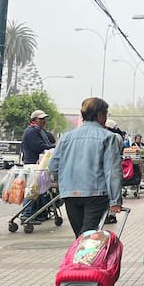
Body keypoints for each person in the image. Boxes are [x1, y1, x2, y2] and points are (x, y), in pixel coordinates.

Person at [48, 98, 123, 238]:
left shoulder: (66, 137)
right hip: (95, 194)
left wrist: (63, 183)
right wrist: (115, 200)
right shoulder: (108, 137)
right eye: (106, 114)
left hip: (70, 193)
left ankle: (79, 259)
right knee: (87, 238)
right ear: (100, 115)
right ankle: (79, 260)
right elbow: (112, 171)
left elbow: (53, 166)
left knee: (82, 236)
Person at [20, 109, 56, 222]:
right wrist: (52, 146)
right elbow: (38, 146)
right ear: (33, 120)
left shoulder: (40, 131)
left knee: (39, 192)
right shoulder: (31, 131)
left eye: (44, 119)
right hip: (33, 165)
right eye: (40, 119)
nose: (43, 121)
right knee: (32, 191)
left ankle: (37, 213)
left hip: (39, 166)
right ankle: (26, 214)